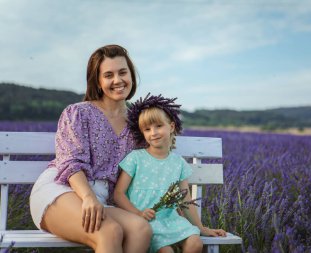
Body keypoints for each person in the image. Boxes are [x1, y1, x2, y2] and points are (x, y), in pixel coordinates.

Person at [29, 44, 152, 253]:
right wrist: (88, 197)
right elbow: (71, 162)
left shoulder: (139, 123)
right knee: (109, 231)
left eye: (123, 72)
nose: (117, 80)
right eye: (108, 75)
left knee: (141, 229)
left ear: (131, 75)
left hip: (103, 199)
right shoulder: (78, 112)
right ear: (98, 81)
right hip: (64, 188)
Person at [114, 94, 227, 253]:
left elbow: (185, 198)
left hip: (171, 220)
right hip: (145, 221)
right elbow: (118, 194)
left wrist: (201, 227)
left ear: (171, 127)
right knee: (166, 251)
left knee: (195, 244)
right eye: (147, 129)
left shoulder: (178, 163)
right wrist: (138, 213)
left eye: (158, 126)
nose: (153, 133)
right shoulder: (136, 158)